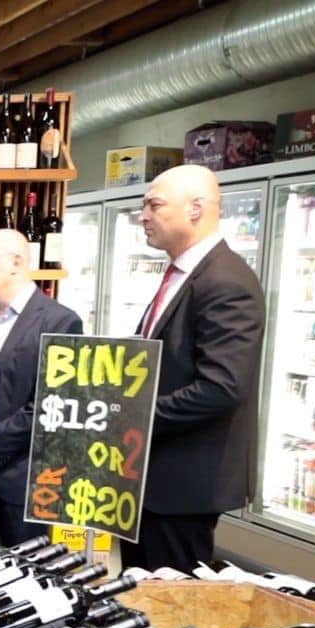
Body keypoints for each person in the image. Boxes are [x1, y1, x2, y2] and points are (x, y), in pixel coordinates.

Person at [125, 164, 264, 573]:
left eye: (154, 205)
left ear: (195, 210)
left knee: (171, 596)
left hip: (183, 486)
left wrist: (132, 417)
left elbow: (222, 387)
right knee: (139, 591)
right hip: (154, 478)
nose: (143, 216)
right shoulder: (185, 274)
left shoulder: (226, 281)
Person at [0, 228, 82, 549]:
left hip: (22, 487)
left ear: (15, 263)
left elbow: (49, 405)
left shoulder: (61, 323)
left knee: (22, 574)